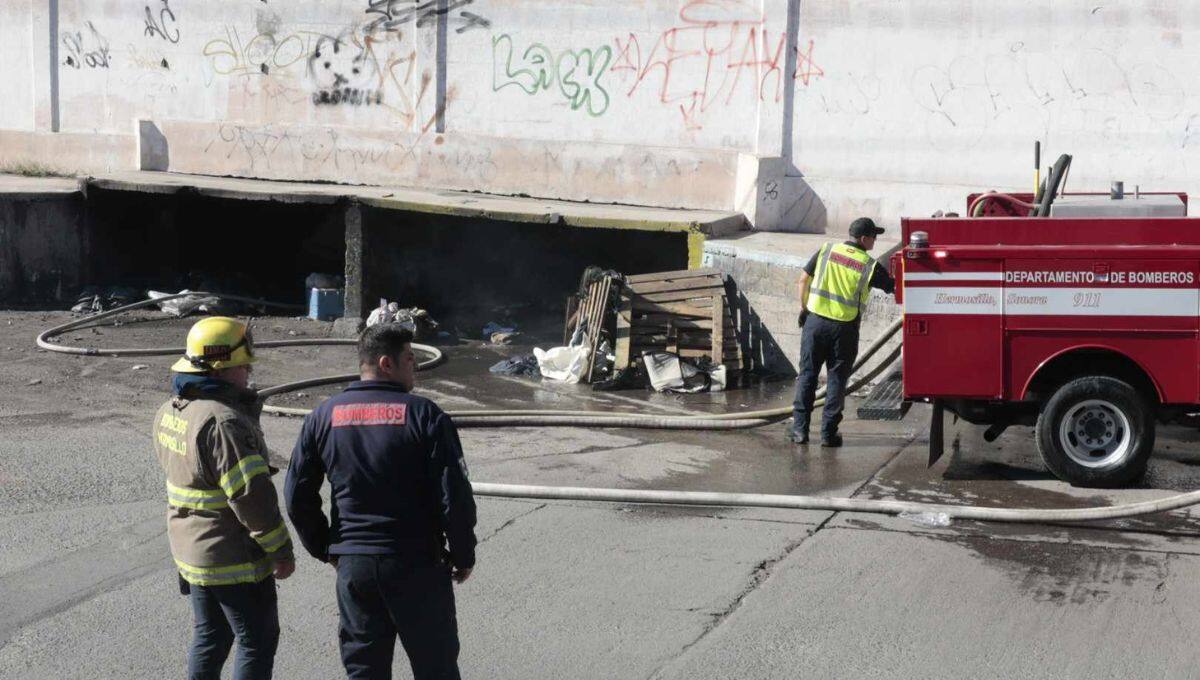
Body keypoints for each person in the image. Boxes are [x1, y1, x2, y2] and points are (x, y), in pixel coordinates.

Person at [285, 324, 476, 680]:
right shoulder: (425, 415)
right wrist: (464, 553)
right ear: (387, 363)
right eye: (409, 359)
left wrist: (327, 548)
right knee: (436, 667)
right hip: (416, 563)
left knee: (365, 670)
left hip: (355, 567)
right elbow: (455, 497)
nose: (415, 368)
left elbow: (297, 495)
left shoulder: (323, 416)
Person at [151, 316, 296, 680]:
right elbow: (252, 498)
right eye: (241, 365)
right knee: (256, 642)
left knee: (210, 636)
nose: (247, 371)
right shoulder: (223, 421)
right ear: (219, 368)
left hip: (192, 553)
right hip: (232, 557)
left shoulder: (171, 410)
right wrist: (280, 550)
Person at [789, 217, 896, 447]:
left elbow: (803, 279)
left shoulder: (827, 250)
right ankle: (828, 434)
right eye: (874, 236)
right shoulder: (869, 265)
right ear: (864, 238)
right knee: (837, 380)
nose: (876, 240)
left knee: (807, 375)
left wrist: (804, 308)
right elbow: (891, 286)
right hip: (844, 329)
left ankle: (799, 431)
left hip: (815, 323)